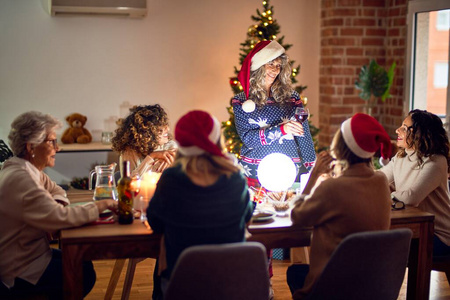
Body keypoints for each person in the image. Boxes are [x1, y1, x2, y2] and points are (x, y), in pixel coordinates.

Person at [0, 111, 117, 299]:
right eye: (52, 142)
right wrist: (102, 205)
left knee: (81, 262)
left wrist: (54, 205)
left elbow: (58, 191)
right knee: (83, 272)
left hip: (32, 256)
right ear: (31, 147)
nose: (58, 148)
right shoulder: (21, 178)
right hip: (21, 270)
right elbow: (60, 220)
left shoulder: (23, 168)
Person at [147, 110, 254, 297]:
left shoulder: (171, 179)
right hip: (231, 284)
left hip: (184, 285)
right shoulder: (235, 177)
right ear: (216, 139)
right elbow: (246, 217)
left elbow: (155, 222)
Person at [287, 113, 393, 299]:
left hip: (332, 286)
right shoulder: (381, 180)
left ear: (341, 148)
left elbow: (296, 216)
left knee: (294, 272)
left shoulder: (332, 187)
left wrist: (314, 176)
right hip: (369, 285)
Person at [232, 40, 316, 189]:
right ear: (259, 66)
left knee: (286, 211)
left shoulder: (293, 98)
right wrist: (282, 129)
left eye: (278, 66)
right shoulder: (241, 101)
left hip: (287, 172)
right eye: (270, 64)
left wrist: (313, 170)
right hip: (255, 173)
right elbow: (249, 139)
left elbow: (304, 136)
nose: (275, 70)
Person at [380, 109, 450, 257]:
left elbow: (411, 198)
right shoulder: (400, 158)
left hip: (439, 235)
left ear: (420, 134)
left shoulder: (436, 161)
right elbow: (378, 179)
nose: (397, 130)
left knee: (387, 247)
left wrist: (387, 195)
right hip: (416, 229)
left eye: (404, 128)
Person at [111, 104, 177, 177]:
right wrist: (152, 156)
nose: (168, 129)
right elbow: (130, 182)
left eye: (166, 125)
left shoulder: (168, 145)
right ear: (146, 132)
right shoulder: (130, 152)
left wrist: (168, 159)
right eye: (161, 127)